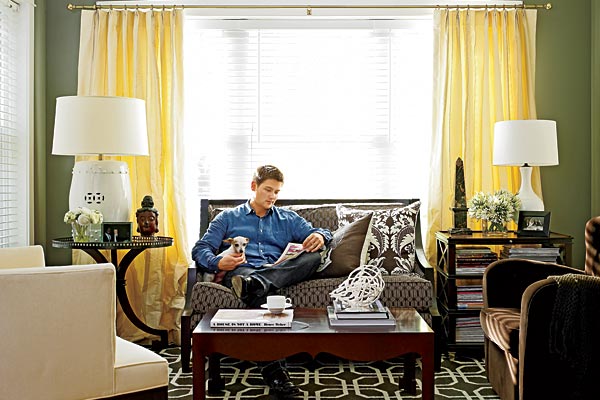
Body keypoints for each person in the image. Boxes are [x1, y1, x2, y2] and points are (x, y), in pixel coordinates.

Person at [192, 165, 332, 397]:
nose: (272, 196)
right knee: (258, 290)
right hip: (242, 272)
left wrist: (320, 236)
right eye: (268, 190)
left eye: (277, 192)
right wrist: (218, 263)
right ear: (253, 186)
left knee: (314, 256)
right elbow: (201, 249)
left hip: (277, 270)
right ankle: (277, 374)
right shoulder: (227, 217)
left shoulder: (288, 219)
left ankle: (258, 283)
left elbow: (320, 232)